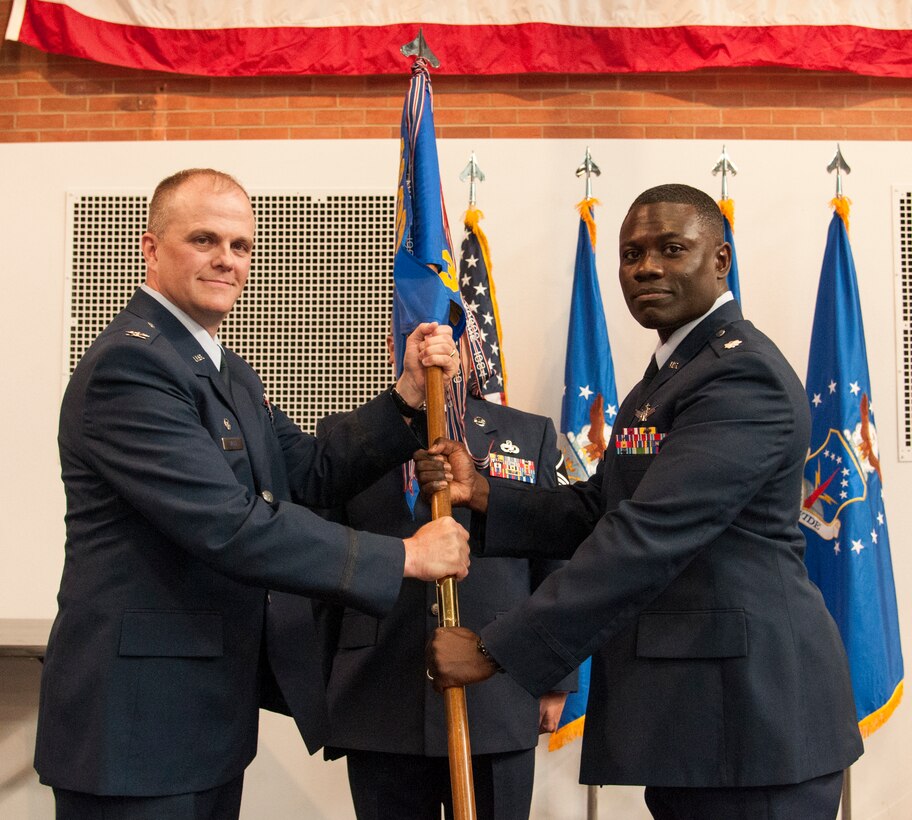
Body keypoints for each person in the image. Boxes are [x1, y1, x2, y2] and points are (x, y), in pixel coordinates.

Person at [37, 167, 470, 820]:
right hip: (134, 728)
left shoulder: (223, 368)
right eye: (204, 239)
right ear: (150, 248)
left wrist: (407, 395)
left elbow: (310, 471)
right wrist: (404, 557)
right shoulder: (131, 369)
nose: (227, 260)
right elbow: (230, 525)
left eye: (241, 246)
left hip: (204, 719)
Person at [422, 184, 864, 820]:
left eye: (671, 249)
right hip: (702, 720)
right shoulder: (672, 374)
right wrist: (483, 491)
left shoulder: (741, 375)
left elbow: (648, 533)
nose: (647, 267)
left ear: (721, 260)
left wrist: (496, 650)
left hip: (751, 724)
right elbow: (604, 507)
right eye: (631, 255)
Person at [309, 331, 574, 820]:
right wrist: (324, 679)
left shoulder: (527, 433)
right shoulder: (347, 438)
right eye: (418, 335)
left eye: (451, 337)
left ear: (475, 347)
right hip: (379, 689)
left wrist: (556, 676)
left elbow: (553, 553)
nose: (437, 351)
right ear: (397, 346)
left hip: (497, 690)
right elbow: (324, 572)